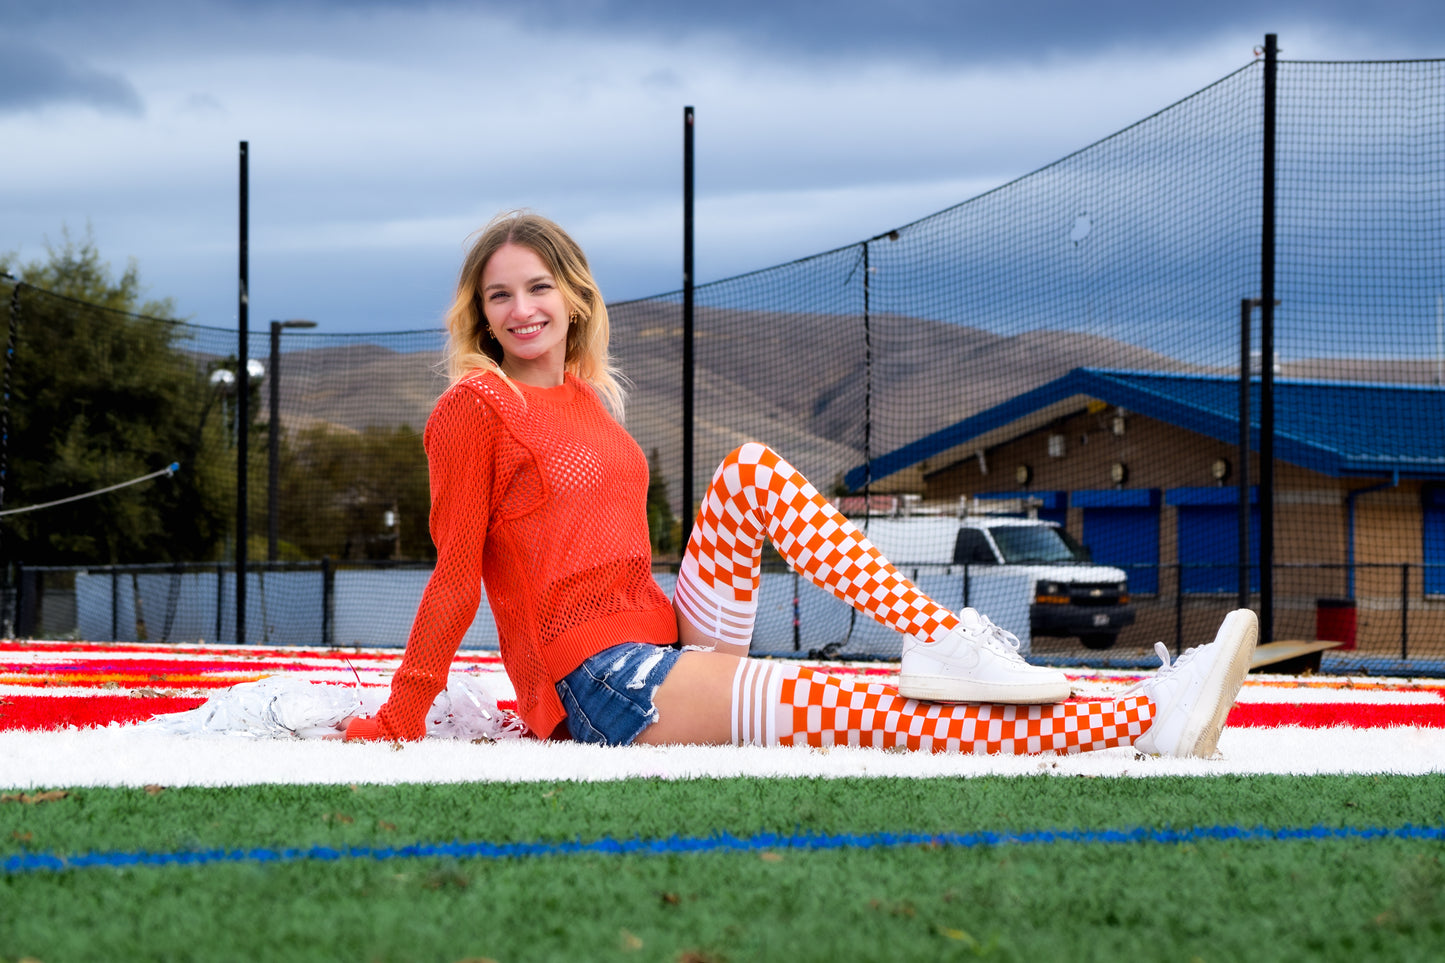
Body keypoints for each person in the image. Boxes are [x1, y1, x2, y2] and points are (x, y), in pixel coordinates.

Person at [343, 211, 1258, 757]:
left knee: (748, 468)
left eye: (538, 288)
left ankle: (944, 636)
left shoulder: (591, 401)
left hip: (663, 632)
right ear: (479, 312)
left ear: (575, 297)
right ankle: (1142, 716)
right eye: (499, 296)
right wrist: (401, 712)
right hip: (599, 682)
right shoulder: (477, 406)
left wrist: (682, 637)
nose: (521, 310)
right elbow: (455, 571)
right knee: (855, 710)